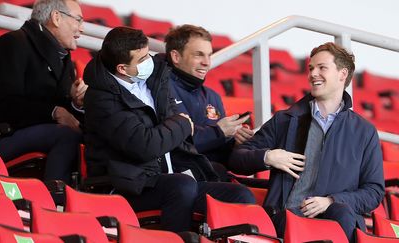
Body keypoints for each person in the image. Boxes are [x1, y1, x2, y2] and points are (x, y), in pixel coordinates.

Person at [83, 26, 255, 233]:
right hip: (128, 186)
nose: (150, 62)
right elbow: (145, 145)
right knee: (181, 185)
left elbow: (175, 133)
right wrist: (182, 125)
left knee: (240, 195)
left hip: (168, 176)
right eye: (142, 59)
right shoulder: (102, 98)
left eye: (149, 55)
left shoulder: (154, 80)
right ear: (122, 68)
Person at [229, 42, 384, 241]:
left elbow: (374, 192)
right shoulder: (285, 120)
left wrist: (331, 200)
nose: (313, 74)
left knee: (342, 213)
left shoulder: (364, 131)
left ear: (342, 74)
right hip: (286, 218)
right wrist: (269, 157)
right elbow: (237, 158)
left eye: (322, 68)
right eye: (311, 68)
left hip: (336, 220)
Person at [0, 0, 86, 184]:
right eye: (78, 20)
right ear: (56, 17)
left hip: (38, 133)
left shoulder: (63, 57)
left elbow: (62, 107)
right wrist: (55, 112)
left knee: (91, 134)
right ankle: (56, 201)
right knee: (68, 135)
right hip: (0, 137)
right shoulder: (13, 43)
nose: (81, 29)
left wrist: (76, 102)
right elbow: (2, 103)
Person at [165, 25, 254, 169]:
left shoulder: (213, 97)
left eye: (209, 55)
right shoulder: (161, 90)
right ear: (176, 56)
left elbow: (220, 155)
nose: (207, 62)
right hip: (182, 177)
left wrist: (234, 142)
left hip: (212, 173)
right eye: (198, 54)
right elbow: (175, 147)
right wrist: (218, 132)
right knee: (241, 192)